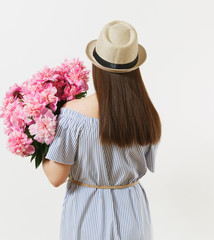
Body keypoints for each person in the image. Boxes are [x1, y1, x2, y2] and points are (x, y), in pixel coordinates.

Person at [42, 20, 161, 240]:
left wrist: (41, 136)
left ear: (97, 67)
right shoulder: (147, 114)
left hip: (86, 212)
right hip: (133, 212)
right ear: (135, 70)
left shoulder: (74, 115)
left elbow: (56, 177)